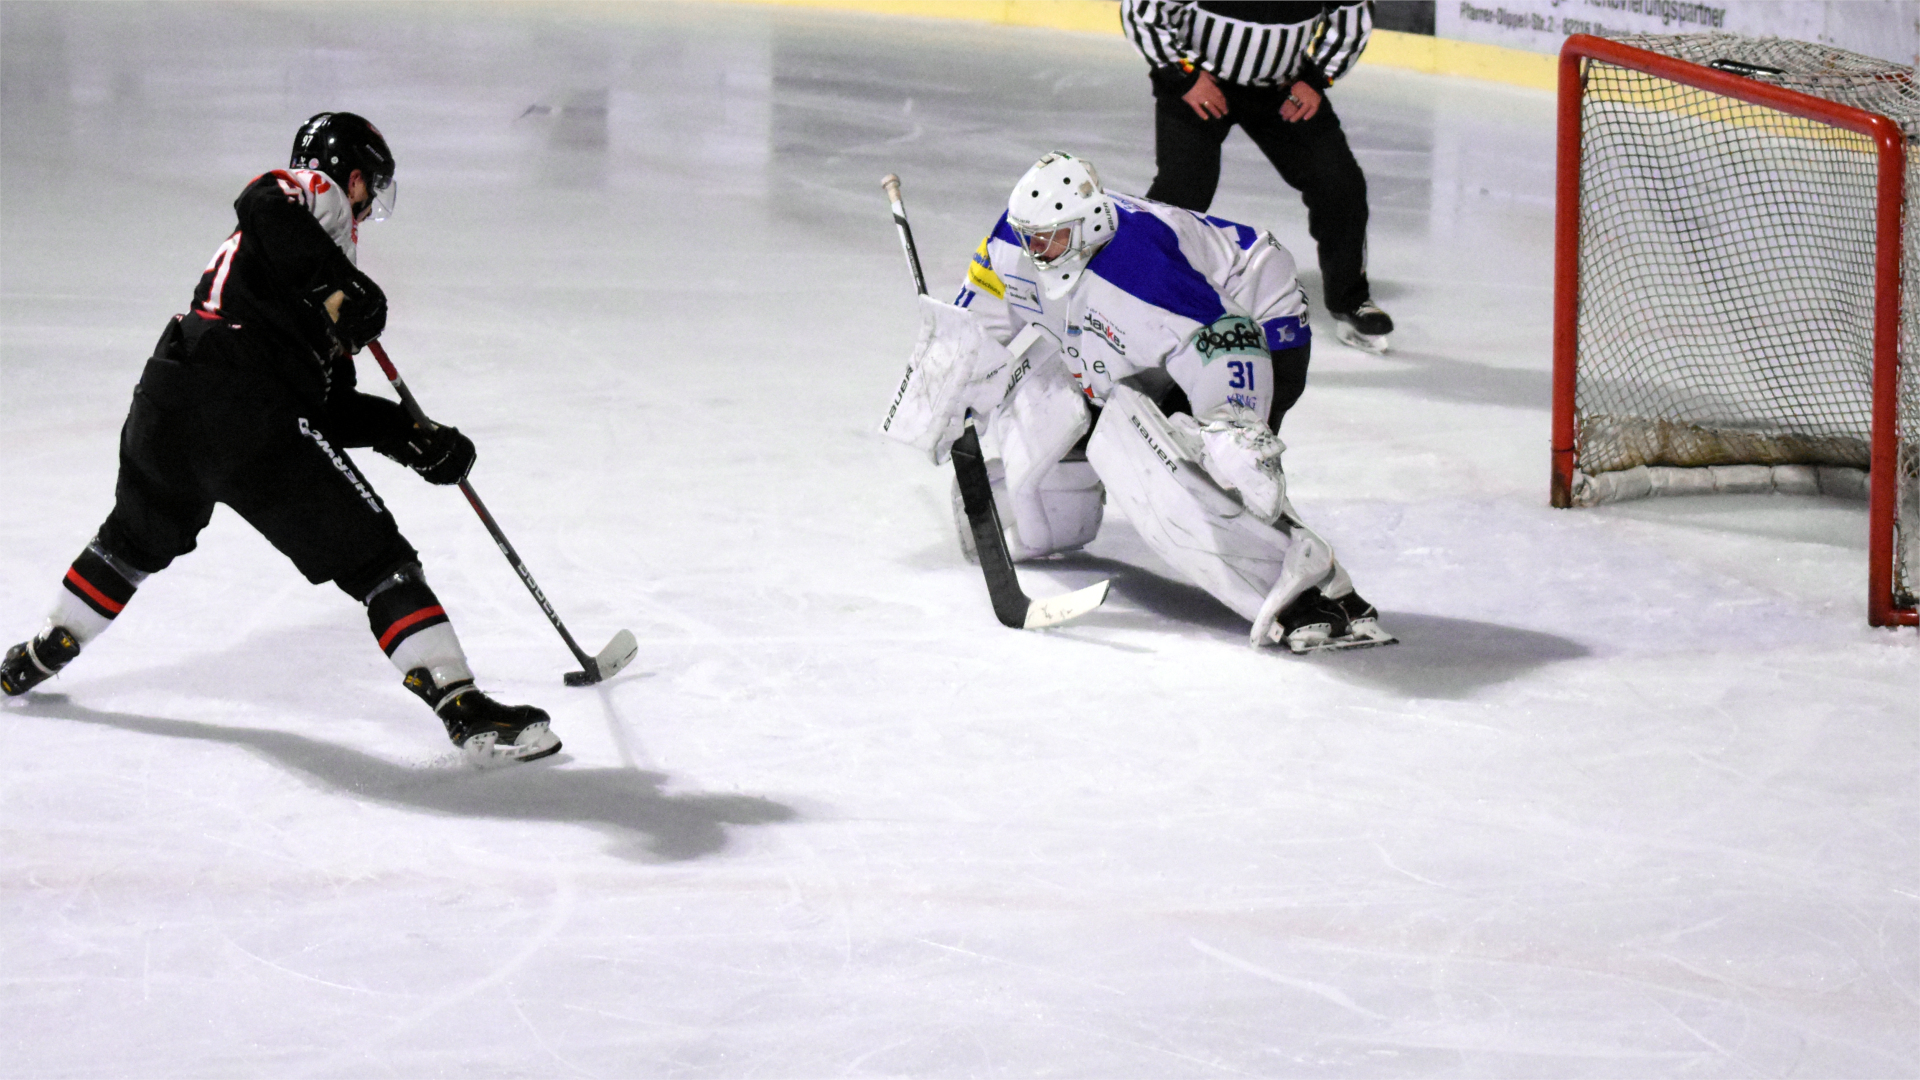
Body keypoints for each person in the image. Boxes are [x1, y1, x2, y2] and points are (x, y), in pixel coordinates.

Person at [0, 112, 560, 765]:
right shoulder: (310, 197)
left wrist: (411, 436)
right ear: (354, 177)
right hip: (245, 407)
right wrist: (334, 282)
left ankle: (44, 648)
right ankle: (466, 713)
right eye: (370, 189)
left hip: (168, 402)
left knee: (129, 542)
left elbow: (325, 406)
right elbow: (263, 197)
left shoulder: (289, 276)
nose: (368, 205)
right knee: (378, 564)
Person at [884, 151, 1394, 651]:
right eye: (1030, 237)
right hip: (1166, 327)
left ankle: (1310, 593)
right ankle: (1037, 513)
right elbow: (976, 325)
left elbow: (1226, 337)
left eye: (1051, 239)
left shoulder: (1140, 274)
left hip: (1255, 320)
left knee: (1168, 461)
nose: (1037, 251)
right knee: (1056, 393)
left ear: (1087, 229)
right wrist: (946, 390)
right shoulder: (1014, 239)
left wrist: (1230, 427)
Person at [1121, 0, 1394, 353]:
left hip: (1282, 89)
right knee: (1183, 192)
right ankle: (1135, 284)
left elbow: (1352, 22)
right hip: (1199, 83)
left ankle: (1350, 299)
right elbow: (1142, 12)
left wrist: (1314, 79)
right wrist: (1183, 76)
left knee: (1339, 184)